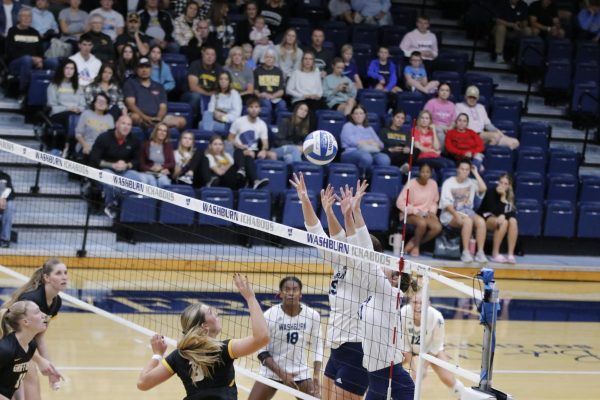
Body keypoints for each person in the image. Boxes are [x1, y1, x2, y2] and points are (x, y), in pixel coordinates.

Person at [289, 173, 370, 400]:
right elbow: (317, 232)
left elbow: (357, 242)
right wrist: (307, 200)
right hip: (335, 348)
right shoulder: (338, 263)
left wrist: (352, 212)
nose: (340, 243)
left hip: (356, 350)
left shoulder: (365, 270)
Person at [137, 273, 270, 399]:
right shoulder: (223, 350)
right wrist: (250, 297)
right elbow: (262, 337)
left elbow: (143, 383)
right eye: (211, 313)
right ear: (205, 326)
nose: (216, 314)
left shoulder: (179, 356)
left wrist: (157, 354)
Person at [248, 276, 323, 399]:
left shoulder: (312, 315)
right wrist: (283, 375)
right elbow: (262, 352)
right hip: (272, 372)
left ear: (301, 294)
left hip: (299, 372)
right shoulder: (268, 316)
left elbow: (318, 346)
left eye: (295, 289)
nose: (291, 293)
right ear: (280, 294)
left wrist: (315, 375)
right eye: (286, 290)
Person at [5, 258, 68, 400]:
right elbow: (12, 338)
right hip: (6, 343)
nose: (64, 276)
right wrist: (39, 361)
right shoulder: (31, 301)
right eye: (58, 273)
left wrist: (51, 370)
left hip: (19, 347)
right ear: (46, 277)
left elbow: (39, 337)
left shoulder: (55, 302)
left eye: (65, 272)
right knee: (28, 376)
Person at [401, 291, 466, 399]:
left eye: (422, 303)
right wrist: (414, 368)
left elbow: (436, 345)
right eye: (415, 302)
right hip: (408, 349)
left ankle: (463, 396)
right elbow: (403, 343)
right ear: (410, 302)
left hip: (430, 350)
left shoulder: (437, 318)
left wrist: (424, 367)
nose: (418, 306)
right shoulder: (403, 313)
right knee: (388, 368)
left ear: (429, 304)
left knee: (448, 378)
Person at [0, 301, 59, 400]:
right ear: (25, 322)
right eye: (37, 312)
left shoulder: (30, 345)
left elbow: (16, 380)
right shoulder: (5, 350)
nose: (44, 315)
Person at [88, 114, 143, 220]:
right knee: (110, 180)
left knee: (137, 179)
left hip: (125, 171)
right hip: (106, 170)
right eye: (123, 123)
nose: (126, 126)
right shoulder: (104, 137)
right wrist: (112, 165)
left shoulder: (134, 140)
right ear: (117, 124)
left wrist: (126, 165)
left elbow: (137, 161)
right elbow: (94, 159)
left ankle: (123, 206)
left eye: (129, 124)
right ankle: (110, 205)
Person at [439, 158, 488, 263]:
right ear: (457, 169)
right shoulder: (448, 183)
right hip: (450, 214)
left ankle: (480, 252)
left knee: (481, 222)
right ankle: (466, 252)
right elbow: (447, 205)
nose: (465, 172)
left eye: (467, 169)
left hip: (467, 212)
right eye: (462, 169)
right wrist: (457, 216)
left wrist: (476, 173)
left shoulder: (471, 182)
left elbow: (483, 188)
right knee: (468, 221)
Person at [123, 57, 186, 130]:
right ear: (136, 70)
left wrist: (158, 118)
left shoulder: (159, 86)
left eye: (147, 67)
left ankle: (157, 127)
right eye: (141, 67)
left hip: (157, 119)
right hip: (141, 117)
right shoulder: (130, 83)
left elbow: (163, 107)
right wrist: (145, 117)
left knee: (182, 121)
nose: (144, 70)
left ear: (151, 69)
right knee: (134, 117)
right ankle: (152, 128)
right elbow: (131, 105)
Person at [5, 7, 57, 95]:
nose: (26, 18)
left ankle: (53, 92)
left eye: (29, 16)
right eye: (24, 16)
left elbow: (40, 52)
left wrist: (40, 60)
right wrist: (32, 58)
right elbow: (11, 52)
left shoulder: (35, 32)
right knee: (27, 59)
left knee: (54, 62)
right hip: (16, 63)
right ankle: (24, 92)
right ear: (18, 18)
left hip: (34, 61)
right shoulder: (12, 31)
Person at [396, 163, 442, 257]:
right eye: (423, 172)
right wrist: (415, 211)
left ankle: (413, 243)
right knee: (422, 223)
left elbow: (434, 201)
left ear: (431, 173)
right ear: (419, 172)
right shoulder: (411, 183)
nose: (425, 174)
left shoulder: (433, 183)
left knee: (437, 227)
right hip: (410, 213)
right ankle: (416, 247)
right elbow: (400, 202)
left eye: (428, 172)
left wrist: (432, 212)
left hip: (426, 213)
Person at [455, 86, 519, 150]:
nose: (472, 99)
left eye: (474, 97)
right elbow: (456, 123)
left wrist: (498, 132)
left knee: (515, 142)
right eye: (470, 97)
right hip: (470, 135)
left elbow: (487, 124)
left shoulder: (481, 107)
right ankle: (481, 152)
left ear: (477, 98)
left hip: (482, 135)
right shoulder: (459, 106)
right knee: (495, 136)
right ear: (466, 97)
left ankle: (488, 151)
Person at [227, 96, 271, 189]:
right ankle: (254, 180)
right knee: (244, 154)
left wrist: (264, 150)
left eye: (256, 107)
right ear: (247, 109)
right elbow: (230, 138)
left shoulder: (262, 124)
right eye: (251, 107)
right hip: (238, 149)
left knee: (250, 154)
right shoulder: (239, 121)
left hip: (253, 150)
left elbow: (265, 144)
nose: (254, 110)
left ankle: (242, 170)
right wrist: (238, 145)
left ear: (260, 109)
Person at [46, 59, 86, 155]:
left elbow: (83, 106)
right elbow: (52, 106)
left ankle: (74, 148)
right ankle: (69, 147)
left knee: (80, 117)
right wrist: (68, 108)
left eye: (72, 69)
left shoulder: (78, 87)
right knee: (71, 117)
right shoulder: (53, 86)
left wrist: (77, 109)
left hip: (75, 113)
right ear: (62, 70)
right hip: (58, 114)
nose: (69, 71)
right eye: (66, 68)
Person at [478, 174, 518, 264]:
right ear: (498, 183)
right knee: (503, 222)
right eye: (501, 183)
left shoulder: (510, 196)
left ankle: (510, 255)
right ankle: (495, 254)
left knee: (513, 221)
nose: (502, 185)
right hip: (485, 218)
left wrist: (504, 211)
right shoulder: (490, 192)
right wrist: (502, 198)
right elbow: (493, 210)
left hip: (499, 219)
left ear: (509, 186)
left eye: (505, 184)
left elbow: (512, 214)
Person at [341, 105, 391, 177]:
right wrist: (368, 142)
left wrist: (376, 144)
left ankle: (374, 179)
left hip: (371, 152)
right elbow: (351, 141)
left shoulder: (369, 128)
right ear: (352, 116)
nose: (359, 116)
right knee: (366, 157)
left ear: (365, 115)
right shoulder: (348, 126)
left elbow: (381, 144)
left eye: (361, 113)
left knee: (384, 159)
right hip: (351, 152)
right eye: (356, 113)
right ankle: (361, 177)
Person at [186, 45, 223, 123]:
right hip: (191, 95)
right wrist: (208, 93)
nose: (210, 57)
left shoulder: (218, 68)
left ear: (215, 57)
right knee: (196, 96)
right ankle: (193, 120)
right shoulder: (195, 65)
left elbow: (221, 86)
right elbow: (193, 87)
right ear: (203, 55)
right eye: (207, 54)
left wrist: (213, 94)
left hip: (210, 95)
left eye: (212, 55)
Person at [75, 92, 115, 162]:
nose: (101, 103)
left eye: (103, 102)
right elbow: (78, 134)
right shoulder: (86, 114)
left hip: (103, 148)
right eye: (99, 101)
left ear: (107, 106)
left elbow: (111, 137)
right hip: (86, 146)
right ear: (94, 103)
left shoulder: (109, 118)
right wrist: (85, 145)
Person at [253, 49, 286, 123]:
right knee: (266, 104)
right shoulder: (257, 71)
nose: (269, 59)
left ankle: (279, 128)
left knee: (282, 104)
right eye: (267, 57)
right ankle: (267, 127)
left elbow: (281, 91)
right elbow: (255, 90)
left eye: (271, 57)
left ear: (274, 60)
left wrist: (272, 96)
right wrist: (260, 95)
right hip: (262, 98)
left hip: (275, 97)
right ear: (263, 58)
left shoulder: (278, 71)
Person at [139, 122, 175, 188]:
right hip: (148, 173)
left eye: (165, 131)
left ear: (167, 134)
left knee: (164, 182)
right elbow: (141, 164)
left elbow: (172, 163)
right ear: (156, 131)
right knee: (152, 182)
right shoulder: (146, 145)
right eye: (160, 130)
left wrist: (162, 167)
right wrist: (151, 168)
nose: (162, 133)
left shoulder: (168, 146)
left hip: (162, 173)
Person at [424, 82, 456, 147]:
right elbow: (425, 118)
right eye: (442, 90)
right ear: (438, 91)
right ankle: (439, 154)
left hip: (447, 128)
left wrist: (450, 127)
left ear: (449, 93)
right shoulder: (431, 103)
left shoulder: (452, 105)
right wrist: (434, 126)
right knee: (440, 134)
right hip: (434, 127)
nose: (444, 92)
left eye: (447, 90)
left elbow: (454, 121)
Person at [0, 169, 15, 248]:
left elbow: (10, 191)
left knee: (10, 205)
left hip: (1, 204)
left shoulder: (5, 177)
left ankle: (4, 239)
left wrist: (3, 198)